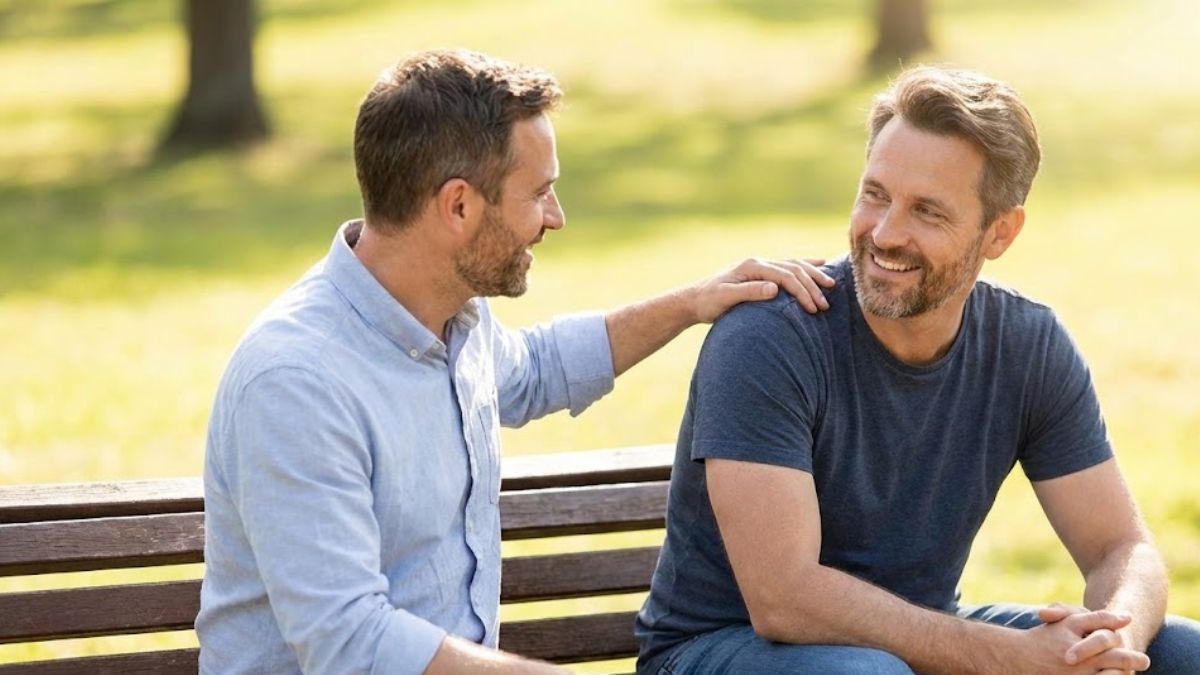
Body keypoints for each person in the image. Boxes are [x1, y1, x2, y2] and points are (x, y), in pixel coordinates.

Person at [194, 49, 835, 675]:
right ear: (460, 206)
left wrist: (692, 303)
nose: (555, 218)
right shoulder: (297, 383)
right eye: (540, 193)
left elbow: (536, 369)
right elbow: (347, 641)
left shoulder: (453, 323)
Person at [635, 66, 1200, 674]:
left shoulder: (1027, 345)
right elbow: (784, 599)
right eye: (875, 194)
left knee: (1178, 651)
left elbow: (1121, 546)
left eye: (927, 212)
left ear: (1000, 232)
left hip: (913, 648)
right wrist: (1011, 658)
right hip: (720, 649)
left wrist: (1112, 641)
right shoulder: (769, 337)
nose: (885, 233)